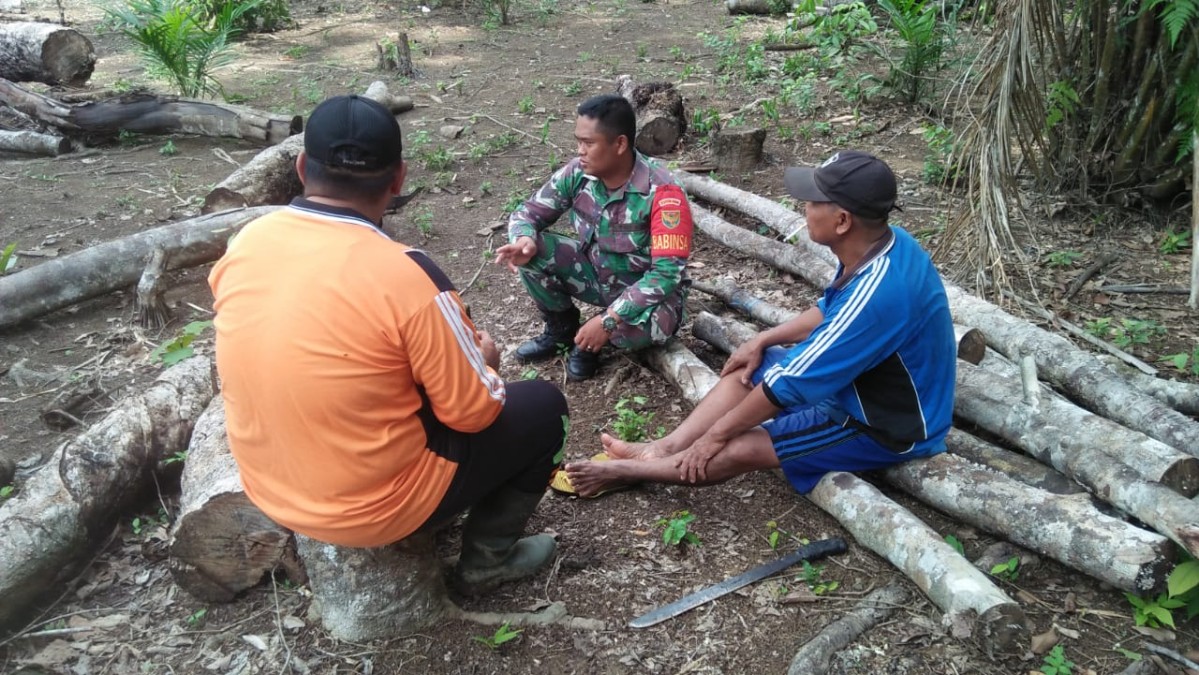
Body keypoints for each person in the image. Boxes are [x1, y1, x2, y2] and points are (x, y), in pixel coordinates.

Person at [208, 95, 568, 594]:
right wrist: (484, 365)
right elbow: (473, 414)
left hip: (269, 488)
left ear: (300, 166)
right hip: (372, 510)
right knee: (546, 407)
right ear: (398, 179)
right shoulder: (408, 274)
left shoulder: (247, 241)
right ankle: (489, 560)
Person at [563, 151, 956, 497]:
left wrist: (715, 436)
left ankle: (628, 472)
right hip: (856, 382)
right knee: (746, 368)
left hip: (883, 422)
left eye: (813, 200)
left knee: (739, 447)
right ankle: (664, 448)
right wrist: (762, 339)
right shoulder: (881, 243)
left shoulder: (880, 294)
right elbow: (829, 310)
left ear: (841, 220)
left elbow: (788, 385)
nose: (803, 205)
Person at [494, 94, 695, 381]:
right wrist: (523, 238)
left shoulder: (663, 192)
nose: (580, 151)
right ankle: (562, 331)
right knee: (534, 250)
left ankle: (589, 344)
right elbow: (527, 212)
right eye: (579, 141)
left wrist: (609, 321)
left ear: (620, 144)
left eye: (589, 143)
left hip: (646, 294)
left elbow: (665, 275)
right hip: (596, 274)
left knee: (651, 327)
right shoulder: (579, 172)